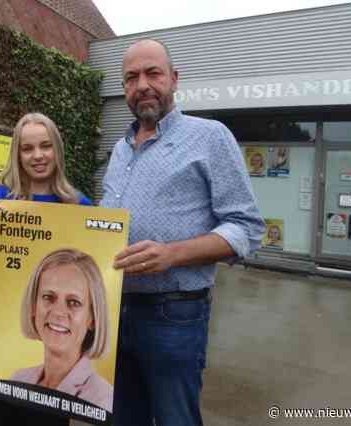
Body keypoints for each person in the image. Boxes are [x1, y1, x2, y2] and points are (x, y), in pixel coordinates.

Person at [100, 39, 265, 426]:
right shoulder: (119, 150)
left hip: (173, 314)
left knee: (176, 418)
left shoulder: (210, 136)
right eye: (131, 77)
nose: (142, 84)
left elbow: (247, 228)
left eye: (152, 73)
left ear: (174, 79)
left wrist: (171, 254)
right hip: (112, 312)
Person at [0, 112, 92, 425]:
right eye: (27, 148)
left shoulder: (79, 206)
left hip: (57, 329)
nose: (37, 156)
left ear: (57, 150)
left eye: (45, 146)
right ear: (17, 154)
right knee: (3, 418)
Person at [11, 248, 113, 411]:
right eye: (48, 297)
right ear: (33, 306)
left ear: (92, 319)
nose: (58, 312)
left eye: (74, 302)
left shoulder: (102, 399)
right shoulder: (19, 379)